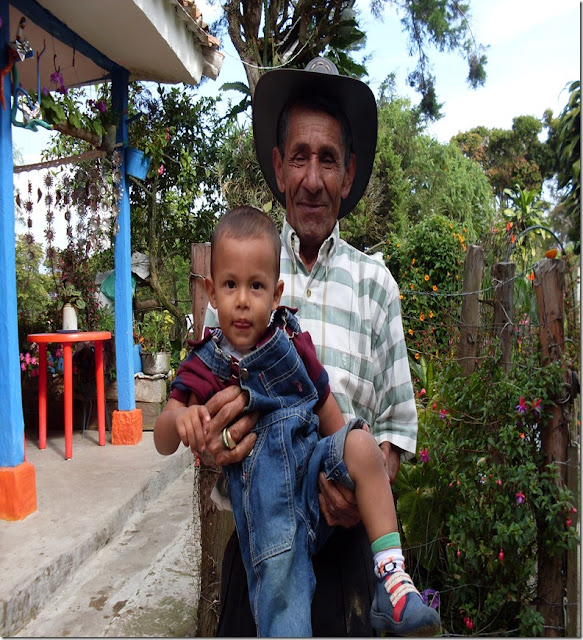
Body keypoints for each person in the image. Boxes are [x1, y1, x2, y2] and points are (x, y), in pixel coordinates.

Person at [176, 57, 424, 636]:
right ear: (278, 167)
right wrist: (220, 441)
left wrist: (358, 483)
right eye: (300, 157)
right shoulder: (244, 272)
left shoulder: (376, 287)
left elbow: (398, 431)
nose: (313, 178)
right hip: (260, 550)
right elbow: (198, 423)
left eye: (329, 159)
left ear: (349, 171)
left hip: (347, 569)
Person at [154, 206, 440, 637]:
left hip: (315, 484)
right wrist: (183, 419)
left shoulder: (291, 340)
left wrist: (346, 472)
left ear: (276, 293)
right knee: (285, 619)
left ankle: (393, 584)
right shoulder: (207, 364)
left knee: (360, 441)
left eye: (256, 286)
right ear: (212, 294)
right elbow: (161, 436)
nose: (244, 300)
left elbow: (330, 414)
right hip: (269, 522)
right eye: (230, 285)